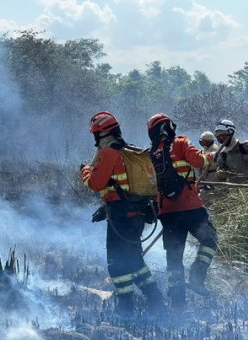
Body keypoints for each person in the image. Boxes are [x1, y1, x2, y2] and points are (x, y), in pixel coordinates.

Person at [80, 111, 165, 317]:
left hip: (121, 216)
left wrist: (85, 171)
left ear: (101, 133)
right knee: (134, 260)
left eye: (96, 134)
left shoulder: (109, 153)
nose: (95, 139)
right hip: (136, 214)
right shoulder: (128, 151)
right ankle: (156, 301)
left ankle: (125, 308)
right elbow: (120, 187)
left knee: (116, 263)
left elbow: (95, 183)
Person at [147, 113, 218, 311]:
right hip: (191, 208)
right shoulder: (180, 143)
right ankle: (196, 277)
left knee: (174, 256)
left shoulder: (150, 154)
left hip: (167, 212)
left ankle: (178, 302)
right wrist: (211, 156)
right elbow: (200, 162)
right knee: (210, 240)